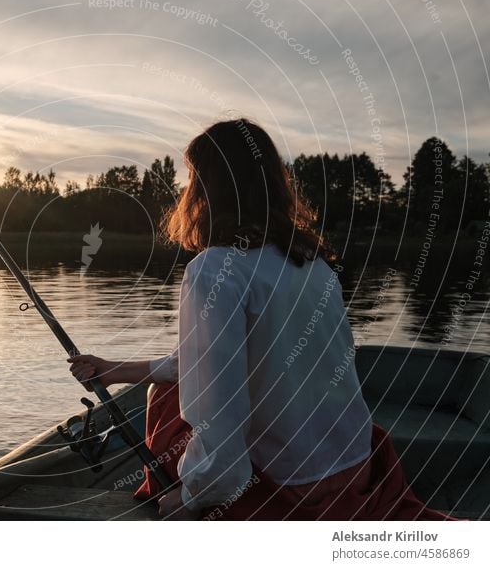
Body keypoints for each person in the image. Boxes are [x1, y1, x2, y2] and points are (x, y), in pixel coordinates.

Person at [67, 119, 452, 521]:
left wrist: (192, 497)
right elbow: (214, 363)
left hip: (290, 493)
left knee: (165, 400)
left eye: (193, 178)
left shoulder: (213, 269)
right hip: (356, 468)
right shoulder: (314, 263)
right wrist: (117, 370)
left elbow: (219, 409)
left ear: (207, 190)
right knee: (167, 385)